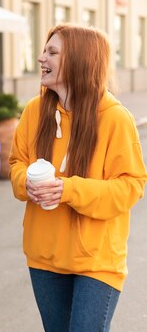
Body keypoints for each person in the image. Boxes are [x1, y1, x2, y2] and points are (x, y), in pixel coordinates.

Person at [9, 23, 147, 332]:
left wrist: (69, 189)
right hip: (44, 257)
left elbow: (130, 186)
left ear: (80, 60)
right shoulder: (34, 112)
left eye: (52, 52)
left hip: (97, 262)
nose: (41, 58)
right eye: (44, 50)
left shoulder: (114, 118)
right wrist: (26, 183)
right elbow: (17, 163)